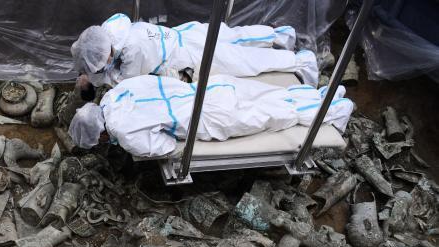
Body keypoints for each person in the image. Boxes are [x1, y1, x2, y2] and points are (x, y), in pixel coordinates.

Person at [68, 74, 353, 159]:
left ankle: (336, 109)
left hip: (212, 117)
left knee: (278, 115)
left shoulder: (124, 133)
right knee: (272, 96)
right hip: (210, 87)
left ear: (100, 135)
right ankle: (323, 95)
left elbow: (164, 147)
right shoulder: (117, 93)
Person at [71, 13, 318, 91]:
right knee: (235, 35)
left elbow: (126, 80)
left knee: (243, 61)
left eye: (101, 62)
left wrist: (95, 79)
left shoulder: (133, 50)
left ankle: (300, 62)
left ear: (106, 53)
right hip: (184, 33)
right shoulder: (112, 28)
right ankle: (281, 36)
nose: (103, 65)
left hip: (189, 54)